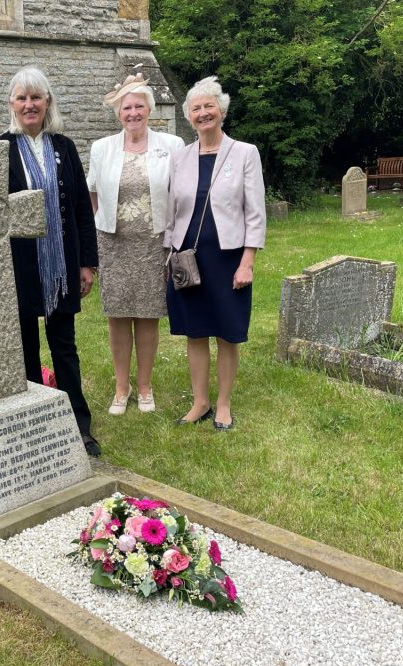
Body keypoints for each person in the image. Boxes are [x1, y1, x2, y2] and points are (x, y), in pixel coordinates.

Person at [0, 66, 100, 456]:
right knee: (25, 349)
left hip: (61, 265)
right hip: (18, 264)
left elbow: (82, 208)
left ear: (47, 102)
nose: (29, 105)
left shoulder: (64, 147)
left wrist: (87, 263)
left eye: (36, 97)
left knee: (64, 346)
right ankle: (37, 424)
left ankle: (78, 425)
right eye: (22, 98)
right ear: (12, 105)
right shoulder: (0, 147)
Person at [164, 76, 266, 430]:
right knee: (195, 332)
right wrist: (169, 253)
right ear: (189, 116)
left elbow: (255, 212)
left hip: (226, 259)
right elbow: (171, 211)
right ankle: (200, 402)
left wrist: (247, 262)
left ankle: (223, 404)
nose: (203, 113)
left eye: (209, 106)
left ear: (221, 111)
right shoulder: (180, 157)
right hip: (188, 260)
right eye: (196, 108)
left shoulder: (244, 153)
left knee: (226, 332)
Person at [87, 72, 184, 415]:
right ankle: (121, 386)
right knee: (117, 316)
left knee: (147, 316)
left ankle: (145, 386)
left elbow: (180, 195)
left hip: (153, 243)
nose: (133, 113)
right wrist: (103, 230)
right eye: (127, 107)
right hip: (114, 244)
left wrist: (172, 241)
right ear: (119, 113)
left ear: (149, 109)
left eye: (139, 106)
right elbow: (94, 195)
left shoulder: (171, 146)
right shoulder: (102, 148)